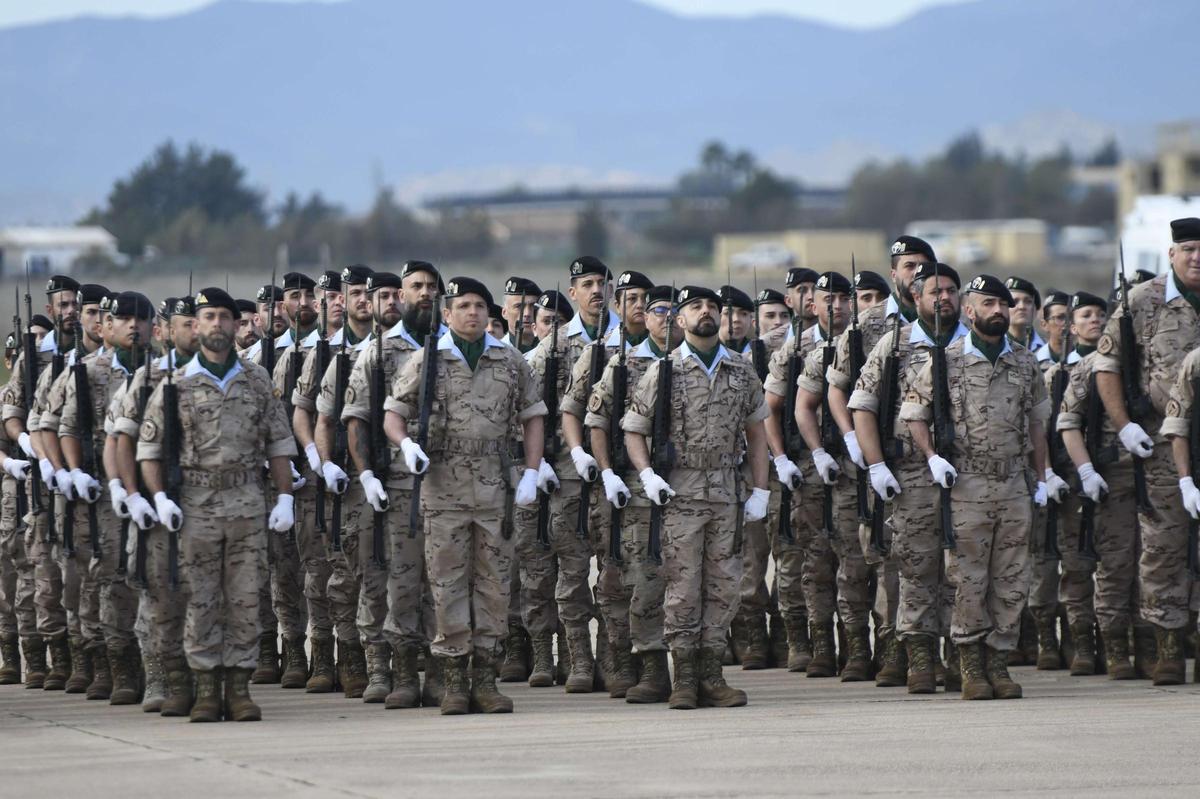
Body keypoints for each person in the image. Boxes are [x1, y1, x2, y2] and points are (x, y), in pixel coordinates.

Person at [384, 276, 547, 715]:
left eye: (479, 306)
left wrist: (532, 471)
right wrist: (406, 445)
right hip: (444, 487)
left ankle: (486, 679)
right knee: (447, 583)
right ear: (448, 313)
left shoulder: (510, 360)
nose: (472, 312)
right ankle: (454, 679)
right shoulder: (427, 359)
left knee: (494, 584)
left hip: (496, 488)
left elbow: (533, 416)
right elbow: (393, 413)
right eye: (463, 306)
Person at [137, 287, 298, 722]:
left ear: (235, 324)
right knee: (201, 597)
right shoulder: (175, 384)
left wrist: (285, 496)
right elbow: (150, 450)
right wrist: (159, 498)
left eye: (225, 317)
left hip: (247, 501)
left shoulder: (256, 380)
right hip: (196, 505)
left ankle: (239, 689)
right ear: (196, 325)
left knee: (245, 597)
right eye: (208, 317)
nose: (217, 325)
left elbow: (279, 443)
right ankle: (206, 688)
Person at [901, 274, 1052, 701]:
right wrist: (932, 456)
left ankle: (998, 661)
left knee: (1012, 578)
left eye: (1003, 305)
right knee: (968, 577)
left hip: (1013, 482)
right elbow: (913, 413)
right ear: (969, 311)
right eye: (988, 304)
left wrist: (1042, 477)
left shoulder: (1025, 362)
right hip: (966, 483)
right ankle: (969, 662)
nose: (998, 311)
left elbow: (1038, 423)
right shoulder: (944, 360)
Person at [622, 284, 770, 709]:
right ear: (680, 319)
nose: (705, 311)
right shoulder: (663, 370)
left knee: (723, 585)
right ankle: (684, 676)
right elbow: (634, 428)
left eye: (711, 306)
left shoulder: (741, 370)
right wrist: (647, 474)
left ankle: (712, 674)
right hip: (680, 491)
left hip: (726, 490)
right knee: (683, 586)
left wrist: (760, 489)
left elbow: (757, 434)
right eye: (695, 306)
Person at [851, 262, 968, 693]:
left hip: (968, 476)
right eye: (935, 291)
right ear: (915, 297)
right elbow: (862, 404)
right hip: (913, 473)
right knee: (916, 567)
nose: (944, 298)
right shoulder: (895, 345)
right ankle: (920, 657)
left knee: (962, 569)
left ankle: (958, 655)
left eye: (951, 291)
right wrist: (876, 464)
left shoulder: (971, 343)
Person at [1094, 217, 1200, 685]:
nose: (1197, 258)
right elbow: (1107, 365)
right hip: (1159, 444)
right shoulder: (1142, 301)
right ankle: (1168, 645)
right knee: (1163, 545)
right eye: (1189, 248)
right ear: (1172, 254)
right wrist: (1124, 425)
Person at [524, 256, 618, 693]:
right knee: (572, 571)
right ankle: (578, 658)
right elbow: (526, 408)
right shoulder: (555, 346)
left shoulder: (626, 339)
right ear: (573, 291)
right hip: (566, 474)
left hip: (618, 474)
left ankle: (612, 657)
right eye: (587, 284)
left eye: (602, 282)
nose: (597, 290)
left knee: (617, 570)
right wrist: (537, 461)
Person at [560, 269, 652, 697]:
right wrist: (581, 454)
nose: (639, 306)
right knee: (612, 568)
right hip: (609, 477)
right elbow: (573, 408)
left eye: (645, 299)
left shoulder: (668, 351)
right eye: (631, 299)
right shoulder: (599, 352)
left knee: (647, 573)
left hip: (654, 478)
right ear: (619, 306)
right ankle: (613, 656)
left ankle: (643, 657)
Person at [585, 284, 678, 702]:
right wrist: (607, 473)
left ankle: (693, 667)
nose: (665, 319)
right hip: (637, 488)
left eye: (673, 311)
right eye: (658, 311)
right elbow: (597, 421)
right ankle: (645, 664)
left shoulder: (692, 362)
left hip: (690, 485)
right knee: (640, 576)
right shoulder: (623, 362)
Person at [107, 294, 198, 715]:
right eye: (185, 323)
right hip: (154, 501)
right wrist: (130, 493)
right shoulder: (146, 379)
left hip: (204, 502)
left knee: (203, 593)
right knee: (155, 591)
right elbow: (121, 440)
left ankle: (198, 676)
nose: (194, 330)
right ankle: (158, 674)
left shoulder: (225, 376)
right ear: (164, 332)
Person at [794, 272, 875, 681]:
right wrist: (818, 452)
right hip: (834, 470)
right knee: (830, 559)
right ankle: (833, 644)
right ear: (814, 305)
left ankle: (880, 646)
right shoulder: (811, 352)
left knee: (873, 560)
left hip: (875, 468)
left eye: (846, 299)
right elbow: (799, 407)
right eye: (830, 299)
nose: (839, 306)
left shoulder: (876, 344)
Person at [3, 275, 81, 691]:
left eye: (75, 304)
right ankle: (52, 658)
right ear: (51, 311)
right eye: (62, 305)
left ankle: (90, 658)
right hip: (41, 480)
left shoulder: (92, 353)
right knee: (43, 573)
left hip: (83, 479)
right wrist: (25, 444)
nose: (70, 312)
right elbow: (12, 413)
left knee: (85, 573)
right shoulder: (33, 358)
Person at [501, 277, 542, 353]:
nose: (527, 313)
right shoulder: (494, 352)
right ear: (504, 312)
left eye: (533, 306)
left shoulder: (548, 350)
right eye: (519, 306)